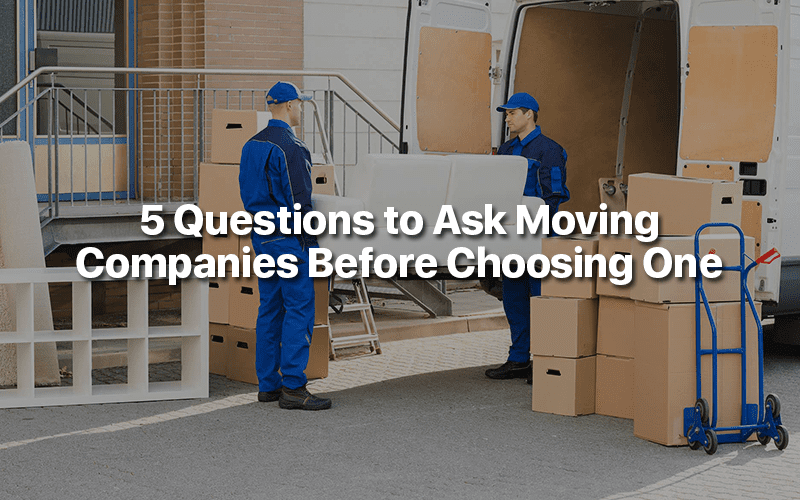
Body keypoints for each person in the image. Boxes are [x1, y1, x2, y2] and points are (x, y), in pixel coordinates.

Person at [238, 81, 331, 410]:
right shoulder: (292, 147)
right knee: (299, 309)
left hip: (261, 237)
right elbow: (300, 203)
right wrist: (313, 247)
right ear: (290, 105)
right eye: (300, 104)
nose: (301, 109)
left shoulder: (249, 146)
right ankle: (294, 385)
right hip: (290, 240)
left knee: (270, 309)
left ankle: (268, 385)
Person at [484, 92, 570, 382]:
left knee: (540, 298)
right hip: (511, 236)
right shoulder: (506, 149)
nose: (507, 118)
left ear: (529, 114)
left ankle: (544, 360)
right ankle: (518, 358)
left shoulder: (550, 150)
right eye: (506, 113)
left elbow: (554, 196)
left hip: (539, 235)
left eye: (511, 113)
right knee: (514, 299)